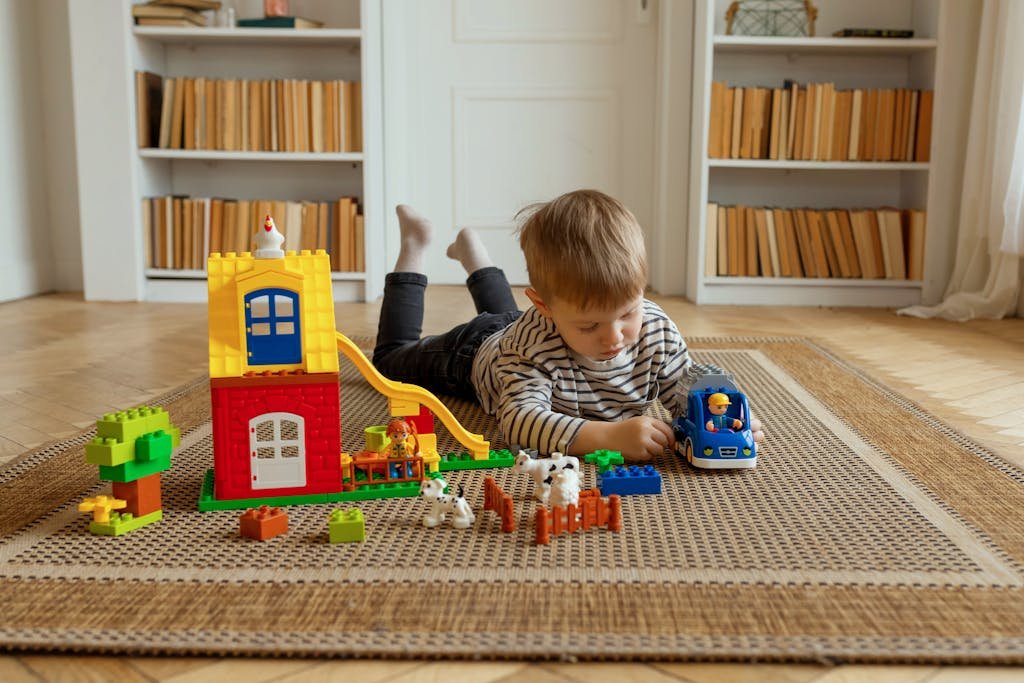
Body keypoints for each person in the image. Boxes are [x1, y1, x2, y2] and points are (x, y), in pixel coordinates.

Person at [372, 190, 764, 461]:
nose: (614, 337)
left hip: (531, 326)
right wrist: (607, 436)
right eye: (591, 325)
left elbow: (682, 388)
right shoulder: (529, 348)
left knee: (513, 317)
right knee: (389, 362)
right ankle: (415, 244)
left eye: (628, 312)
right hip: (474, 353)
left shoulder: (657, 330)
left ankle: (473, 253)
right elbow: (520, 422)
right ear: (544, 306)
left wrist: (720, 421)